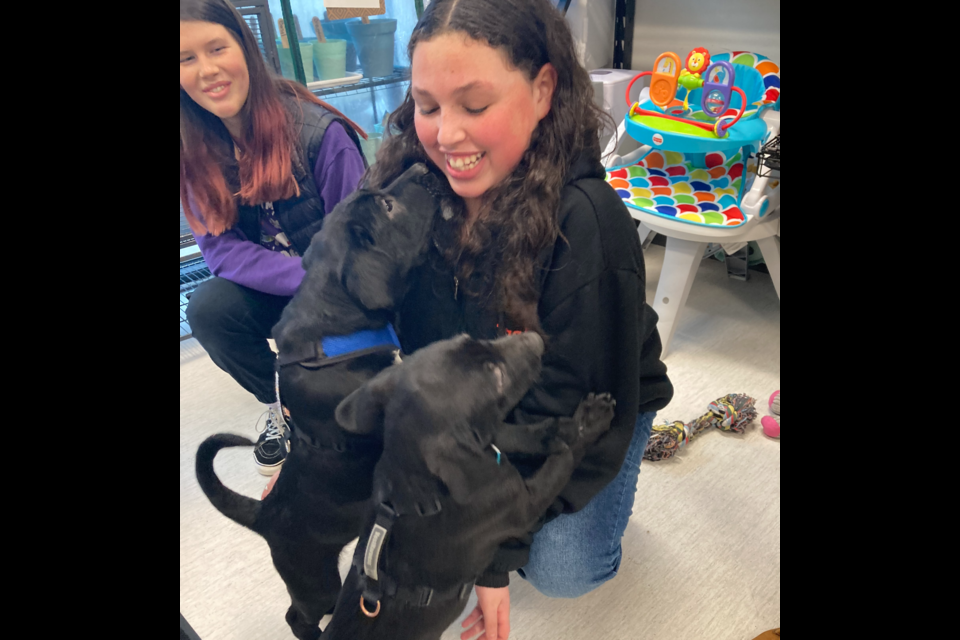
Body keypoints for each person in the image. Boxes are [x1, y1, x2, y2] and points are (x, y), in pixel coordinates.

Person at [367, 1, 675, 639]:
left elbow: (572, 409)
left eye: (474, 106)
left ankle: (609, 507)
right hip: (490, 391)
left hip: (592, 399)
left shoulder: (586, 225)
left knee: (562, 570)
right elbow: (420, 355)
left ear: (541, 90)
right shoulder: (416, 194)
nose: (447, 134)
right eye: (427, 106)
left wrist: (492, 554)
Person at [179, 0, 367, 475]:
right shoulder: (194, 151)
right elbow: (221, 253)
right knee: (207, 309)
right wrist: (302, 281)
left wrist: (320, 289)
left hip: (343, 291)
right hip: (288, 290)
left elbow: (358, 246)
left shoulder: (320, 133)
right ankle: (282, 401)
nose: (207, 70)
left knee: (356, 430)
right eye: (185, 59)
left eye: (217, 48)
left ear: (245, 46)